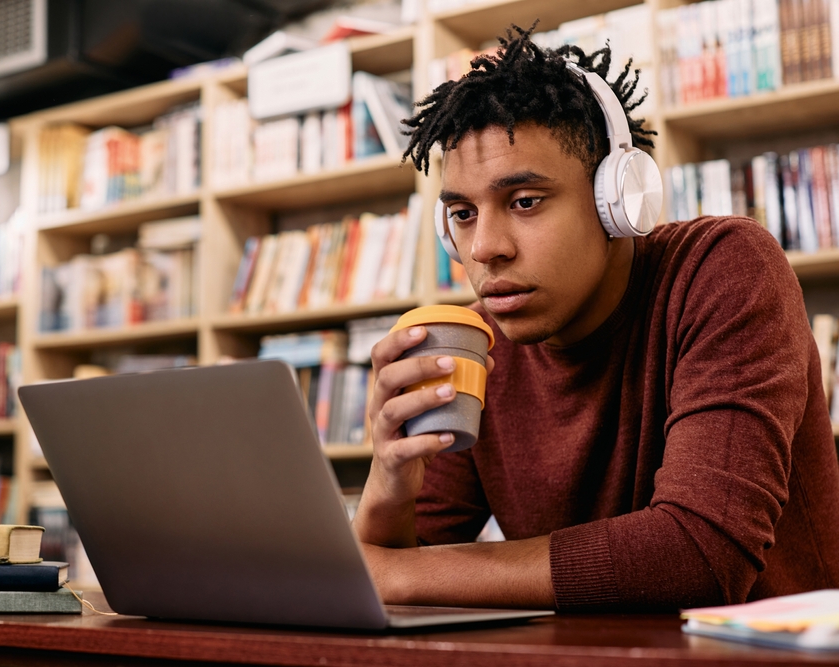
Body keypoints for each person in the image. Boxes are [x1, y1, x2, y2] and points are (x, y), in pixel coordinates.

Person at [351, 27, 839, 612]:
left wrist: (404, 575)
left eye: (525, 201)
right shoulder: (477, 345)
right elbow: (394, 575)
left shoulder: (725, 269)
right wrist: (387, 482)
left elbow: (700, 554)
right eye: (461, 213)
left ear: (617, 200)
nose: (484, 248)